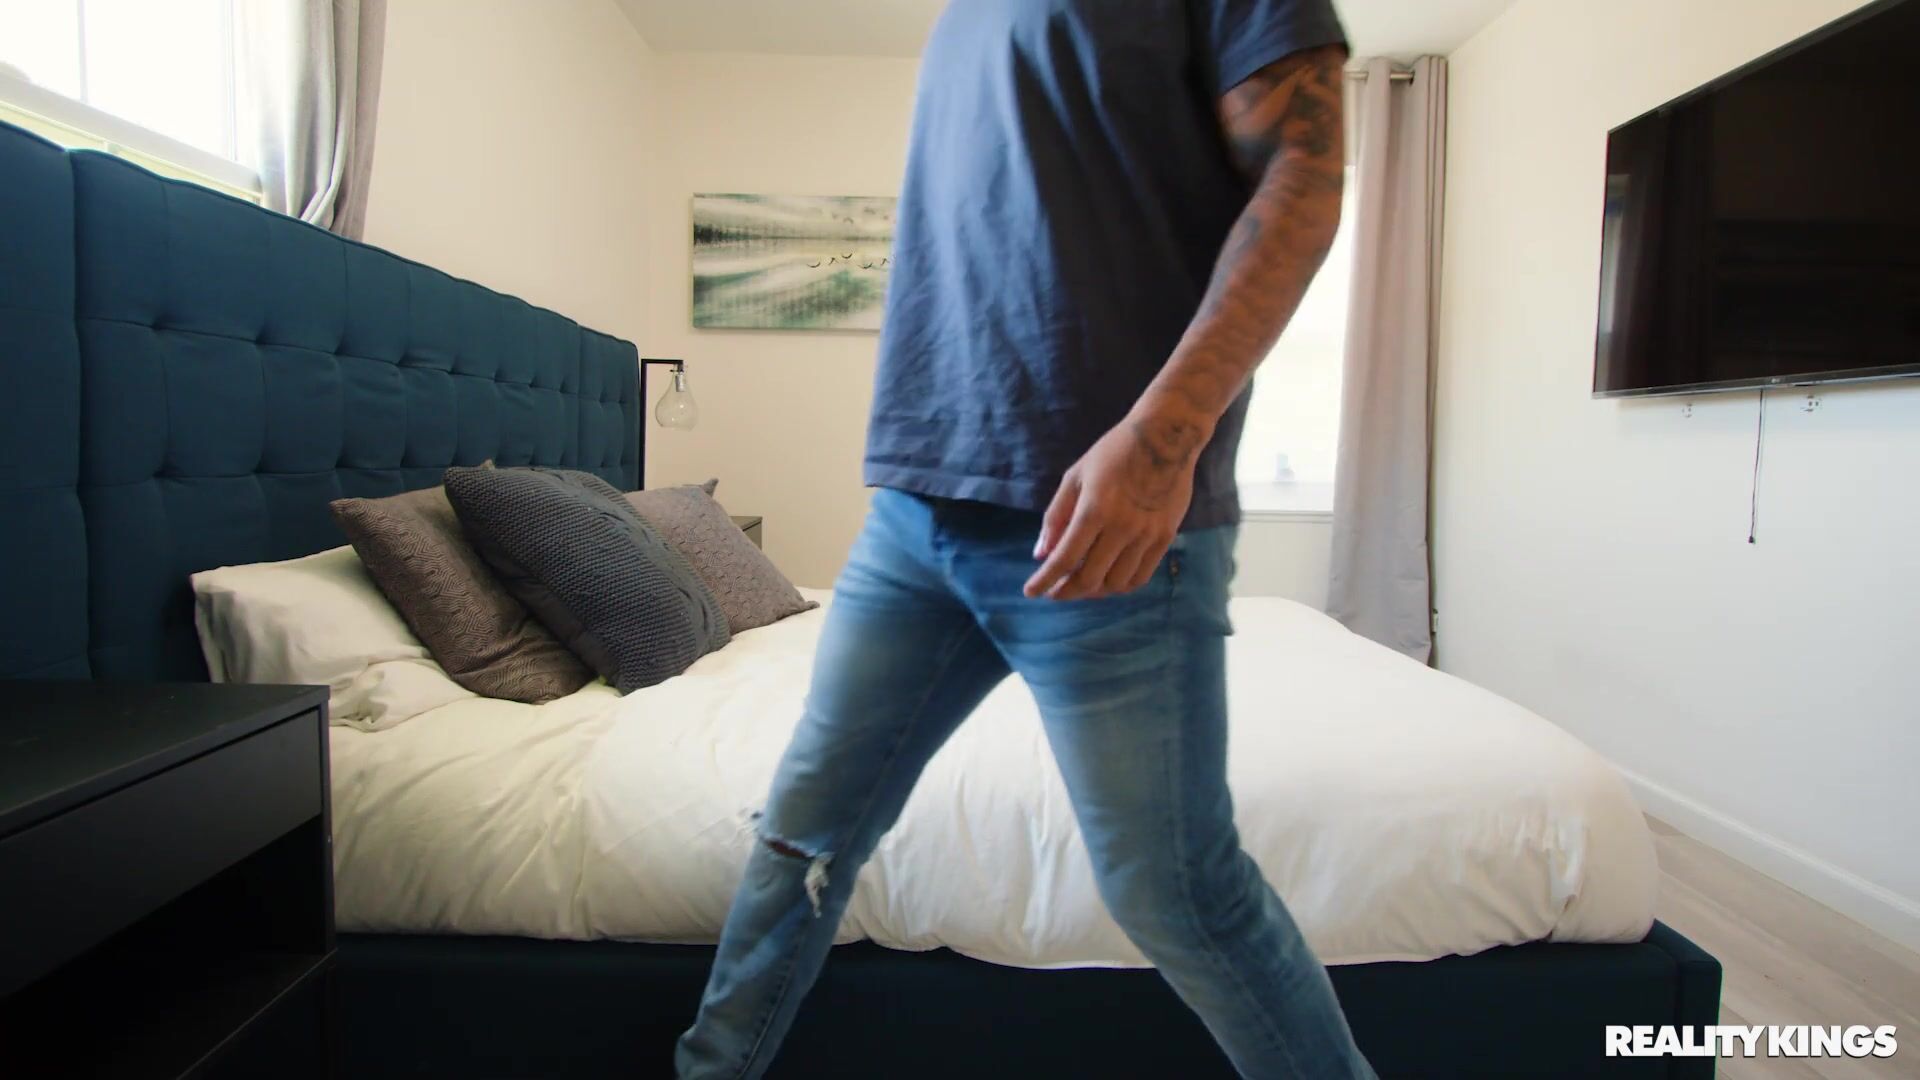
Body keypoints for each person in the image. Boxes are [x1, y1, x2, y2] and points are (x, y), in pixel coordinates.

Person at [677, 0, 1372, 1076]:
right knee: (798, 839)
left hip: (1107, 532)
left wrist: (1164, 439)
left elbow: (1304, 178)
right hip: (915, 511)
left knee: (1178, 895)